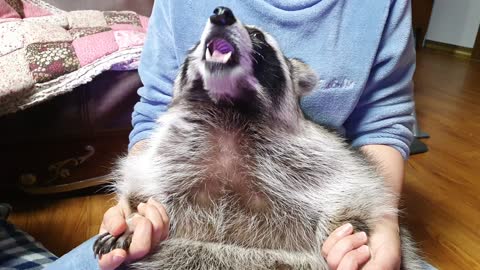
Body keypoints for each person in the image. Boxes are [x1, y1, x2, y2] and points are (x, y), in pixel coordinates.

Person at [46, 1, 432, 269]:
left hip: (315, 254)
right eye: (199, 48)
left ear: (297, 84)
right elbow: (156, 109)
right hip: (173, 243)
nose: (219, 20)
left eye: (258, 45)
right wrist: (136, 212)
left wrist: (381, 226)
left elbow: (383, 119)